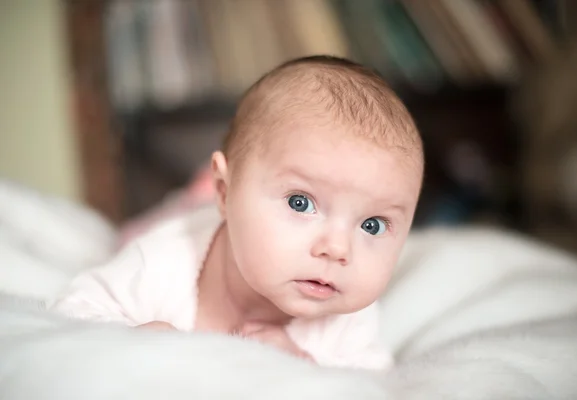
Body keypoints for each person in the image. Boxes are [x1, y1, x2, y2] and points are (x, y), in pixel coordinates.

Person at [49, 55, 424, 370]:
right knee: (145, 230)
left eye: (372, 225)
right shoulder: (161, 262)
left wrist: (304, 366)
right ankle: (191, 196)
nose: (338, 248)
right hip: (186, 223)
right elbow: (70, 313)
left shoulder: (348, 317)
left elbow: (371, 387)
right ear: (225, 192)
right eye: (300, 202)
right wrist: (132, 339)